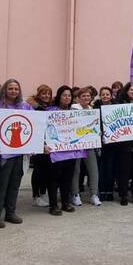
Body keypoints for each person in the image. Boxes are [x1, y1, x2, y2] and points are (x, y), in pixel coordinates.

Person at [0, 79, 29, 228]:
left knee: (14, 184)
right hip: (1, 154)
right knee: (0, 185)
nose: (13, 91)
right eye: (10, 88)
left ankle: (10, 212)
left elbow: (35, 124)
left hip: (19, 152)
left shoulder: (25, 107)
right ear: (4, 90)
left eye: (16, 89)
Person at [45, 85, 84, 215]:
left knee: (67, 178)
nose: (67, 98)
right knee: (54, 178)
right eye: (64, 95)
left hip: (71, 151)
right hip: (55, 151)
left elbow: (82, 128)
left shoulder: (75, 112)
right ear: (59, 96)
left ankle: (65, 202)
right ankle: (53, 205)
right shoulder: (50, 111)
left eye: (69, 95)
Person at [71, 86, 101, 207]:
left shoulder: (92, 110)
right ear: (78, 98)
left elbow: (93, 127)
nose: (86, 98)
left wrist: (97, 132)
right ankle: (75, 194)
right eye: (83, 96)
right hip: (76, 144)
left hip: (89, 143)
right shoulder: (73, 109)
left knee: (93, 169)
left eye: (88, 96)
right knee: (76, 170)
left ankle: (94, 194)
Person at [28, 85, 54, 207]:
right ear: (38, 94)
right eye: (44, 93)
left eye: (48, 93)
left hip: (50, 142)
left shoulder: (51, 107)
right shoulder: (34, 108)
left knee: (47, 169)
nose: (46, 96)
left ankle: (43, 193)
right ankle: (36, 195)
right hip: (38, 142)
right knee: (38, 170)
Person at [95, 86, 118, 201]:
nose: (105, 96)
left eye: (107, 94)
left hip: (113, 143)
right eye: (103, 94)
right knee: (101, 168)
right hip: (100, 143)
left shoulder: (116, 108)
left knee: (111, 167)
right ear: (100, 96)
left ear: (111, 96)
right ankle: (102, 191)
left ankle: (109, 191)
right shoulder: (95, 109)